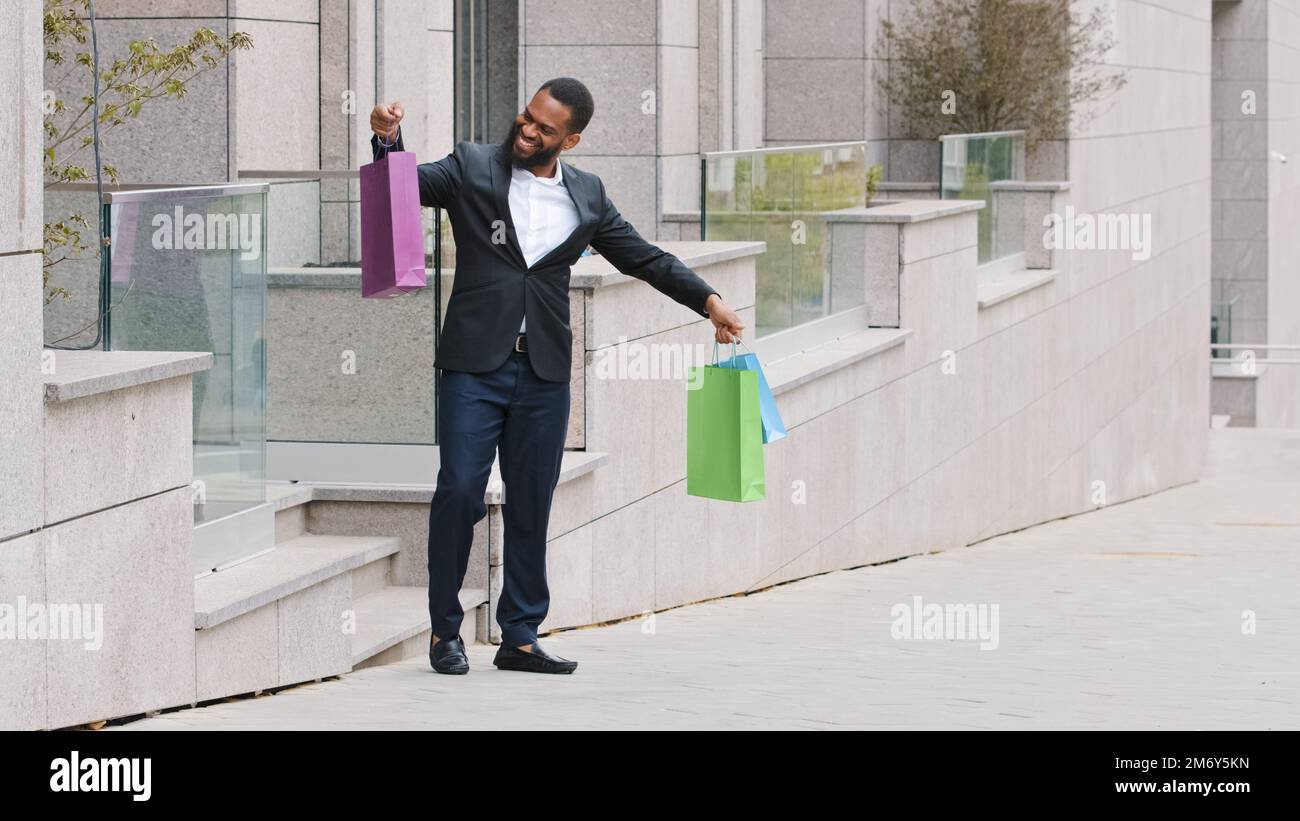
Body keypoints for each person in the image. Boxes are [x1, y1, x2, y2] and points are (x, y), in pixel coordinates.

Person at [369, 77, 744, 675]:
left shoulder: (588, 196)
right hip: (473, 366)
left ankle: (518, 634)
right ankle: (445, 631)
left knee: (532, 502)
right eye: (527, 116)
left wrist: (710, 301)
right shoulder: (471, 166)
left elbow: (645, 258)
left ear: (569, 139)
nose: (527, 130)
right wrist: (388, 141)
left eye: (544, 127)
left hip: (544, 371)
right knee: (460, 489)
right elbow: (404, 187)